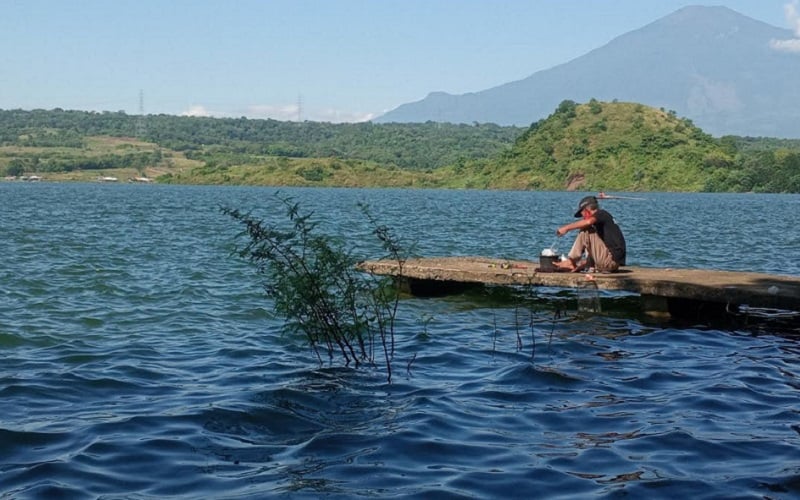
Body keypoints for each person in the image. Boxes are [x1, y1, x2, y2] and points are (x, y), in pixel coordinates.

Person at [554, 195, 626, 273]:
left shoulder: (601, 213)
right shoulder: (600, 223)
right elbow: (597, 248)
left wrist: (566, 228)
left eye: (582, 214)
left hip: (609, 261)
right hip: (612, 264)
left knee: (586, 230)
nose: (583, 217)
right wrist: (582, 265)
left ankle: (571, 262)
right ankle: (587, 265)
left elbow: (588, 222)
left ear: (586, 210)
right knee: (589, 231)